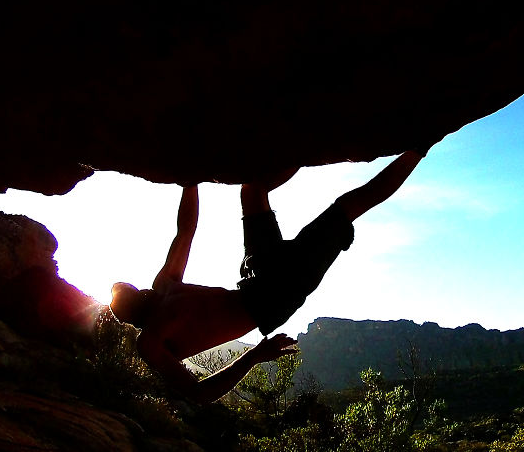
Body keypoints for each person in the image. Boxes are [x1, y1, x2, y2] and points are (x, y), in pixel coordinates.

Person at [110, 150, 427, 403]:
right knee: (347, 207)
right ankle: (418, 149)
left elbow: (186, 230)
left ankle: (314, 140)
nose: (130, 289)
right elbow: (198, 393)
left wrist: (189, 180)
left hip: (253, 277)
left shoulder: (163, 286)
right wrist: (253, 356)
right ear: (128, 312)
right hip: (272, 299)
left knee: (252, 191)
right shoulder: (150, 343)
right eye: (124, 294)